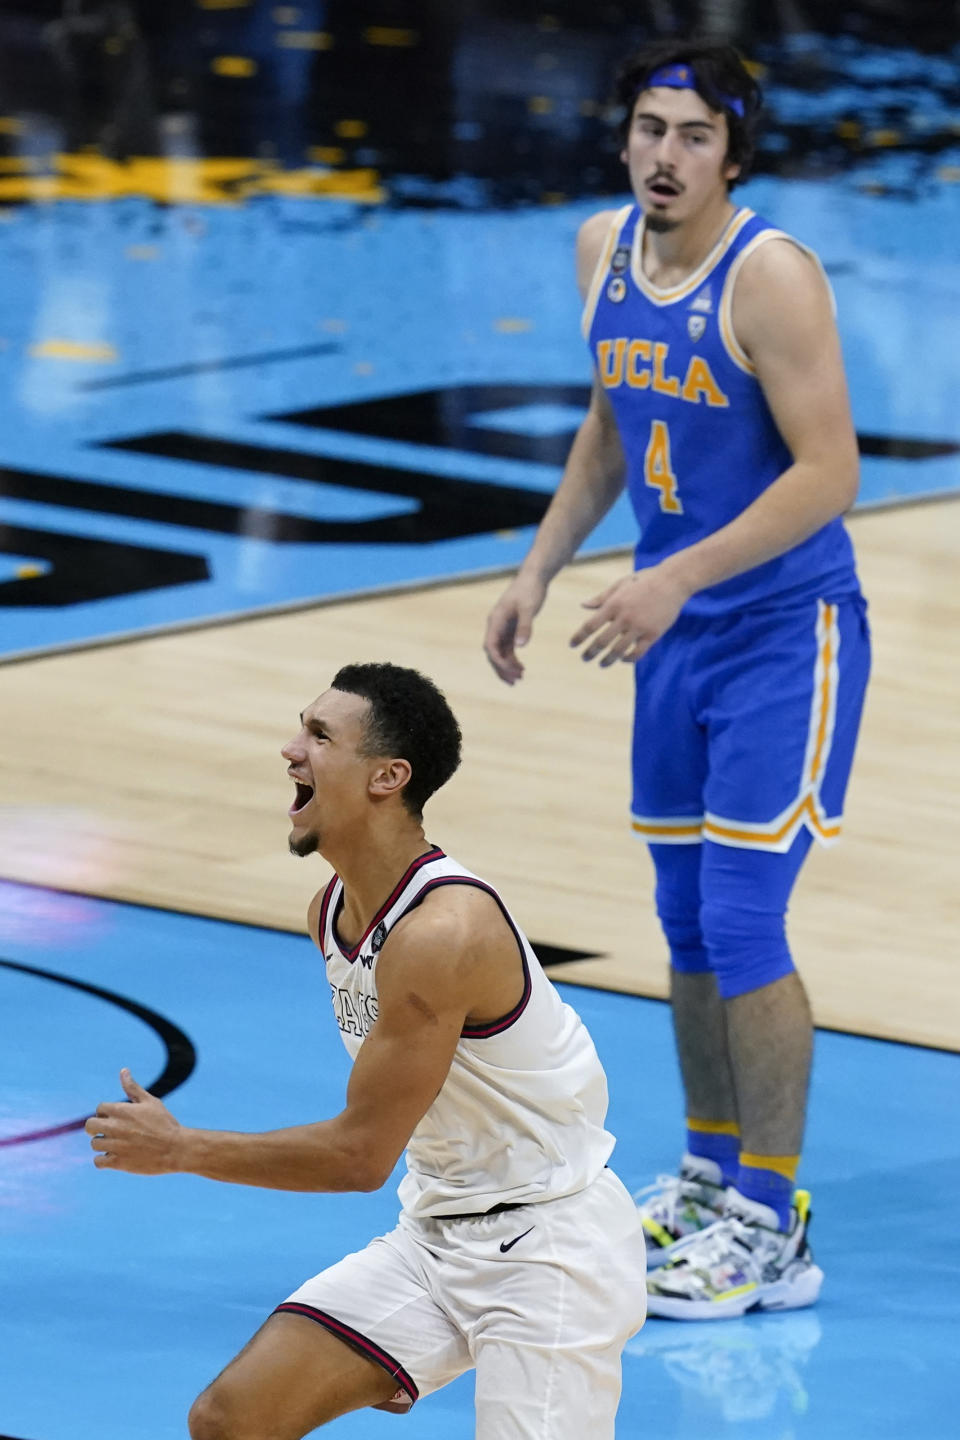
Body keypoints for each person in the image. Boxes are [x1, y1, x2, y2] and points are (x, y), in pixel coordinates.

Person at [484, 40, 870, 1320]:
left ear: (735, 151)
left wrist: (674, 576)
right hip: (675, 635)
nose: (664, 155)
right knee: (688, 923)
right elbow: (612, 422)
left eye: (693, 135)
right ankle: (709, 1176)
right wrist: (540, 569)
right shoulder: (601, 249)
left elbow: (829, 474)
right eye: (649, 128)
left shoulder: (773, 278)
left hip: (781, 632)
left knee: (748, 919)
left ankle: (772, 1216)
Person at [86, 661, 647, 1437]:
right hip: (439, 1230)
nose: (291, 749)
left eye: (319, 735)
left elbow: (358, 1158)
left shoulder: (442, 934)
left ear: (388, 776)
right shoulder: (332, 910)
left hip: (550, 1251)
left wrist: (183, 1149)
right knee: (233, 1418)